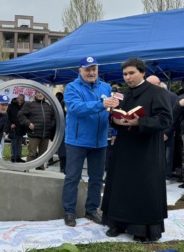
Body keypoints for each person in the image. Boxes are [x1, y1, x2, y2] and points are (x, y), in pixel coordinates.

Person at [101, 58, 172, 242]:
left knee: (143, 188)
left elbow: (165, 119)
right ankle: (118, 224)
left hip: (146, 150)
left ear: (142, 72)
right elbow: (115, 117)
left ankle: (141, 229)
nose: (128, 77)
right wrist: (115, 120)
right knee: (121, 187)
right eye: (125, 74)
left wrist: (140, 122)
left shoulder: (156, 92)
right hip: (125, 147)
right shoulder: (123, 95)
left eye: (131, 73)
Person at [62, 56, 119, 227]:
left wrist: (115, 127)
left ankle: (92, 209)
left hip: (100, 141)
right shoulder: (72, 87)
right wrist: (101, 104)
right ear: (80, 70)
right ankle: (69, 212)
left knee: (97, 178)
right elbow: (75, 108)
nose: (91, 72)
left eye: (94, 69)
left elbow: (112, 111)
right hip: (77, 142)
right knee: (72, 177)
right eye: (87, 69)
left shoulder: (106, 87)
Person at [147, 75, 178, 183]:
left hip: (167, 131)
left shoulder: (171, 97)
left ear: (158, 84)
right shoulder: (150, 95)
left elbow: (174, 116)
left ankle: (167, 176)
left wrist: (168, 132)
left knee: (167, 156)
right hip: (154, 130)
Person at [18, 91, 56, 170]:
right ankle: (26, 169)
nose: (40, 94)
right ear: (35, 94)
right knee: (32, 153)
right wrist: (28, 123)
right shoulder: (29, 104)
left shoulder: (48, 106)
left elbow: (54, 117)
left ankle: (40, 169)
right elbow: (20, 115)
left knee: (43, 155)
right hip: (34, 133)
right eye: (38, 93)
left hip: (46, 134)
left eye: (42, 93)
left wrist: (50, 125)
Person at [6, 94, 26, 162]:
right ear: (17, 99)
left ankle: (18, 157)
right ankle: (13, 157)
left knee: (19, 144)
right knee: (14, 143)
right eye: (19, 99)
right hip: (13, 128)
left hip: (21, 127)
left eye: (22, 99)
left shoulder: (24, 106)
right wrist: (10, 124)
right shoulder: (11, 106)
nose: (21, 100)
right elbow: (7, 116)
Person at [55, 92, 66, 173]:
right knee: (62, 151)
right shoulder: (64, 102)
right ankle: (63, 167)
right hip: (63, 128)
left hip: (69, 129)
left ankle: (64, 167)